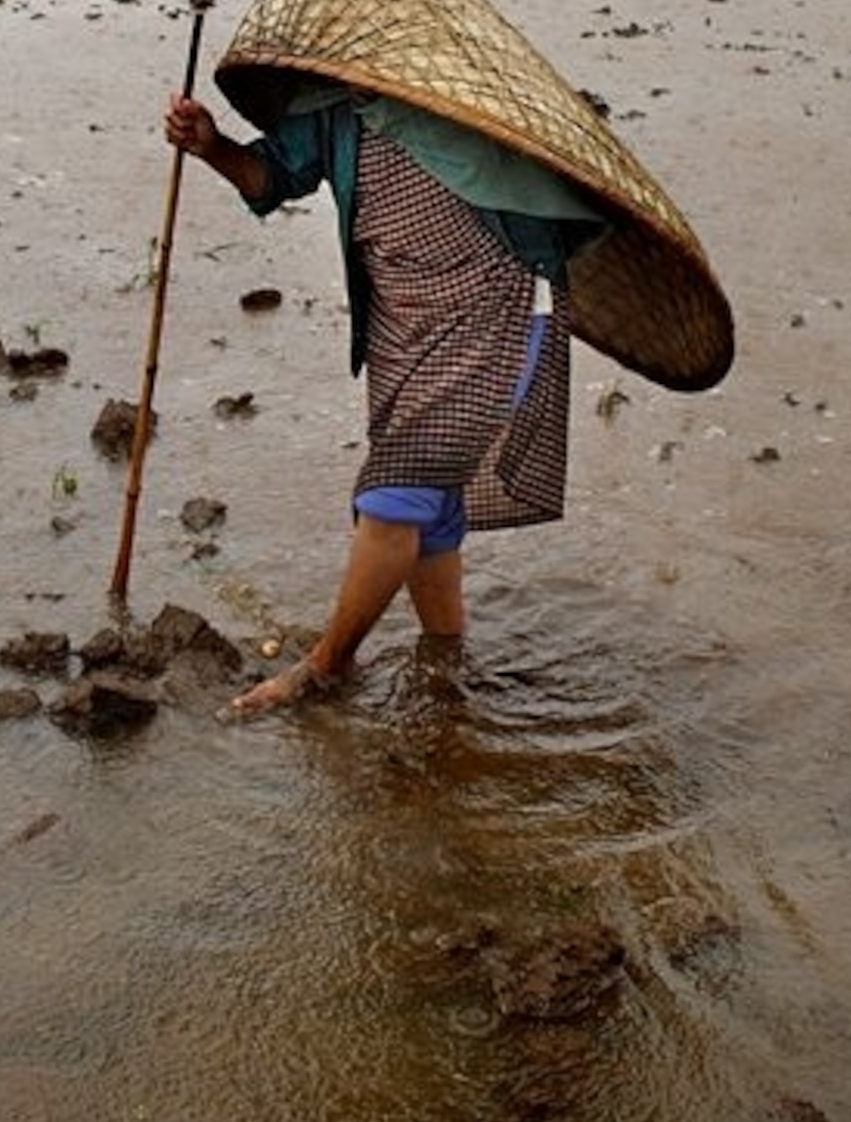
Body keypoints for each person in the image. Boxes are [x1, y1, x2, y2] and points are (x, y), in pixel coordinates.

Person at [163, 82, 608, 717]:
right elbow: (273, 176)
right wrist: (210, 147)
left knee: (395, 497)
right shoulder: (331, 104)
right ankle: (446, 668)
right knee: (427, 511)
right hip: (403, 323)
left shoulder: (473, 91)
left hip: (498, 309)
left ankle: (324, 670)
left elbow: (566, 189)